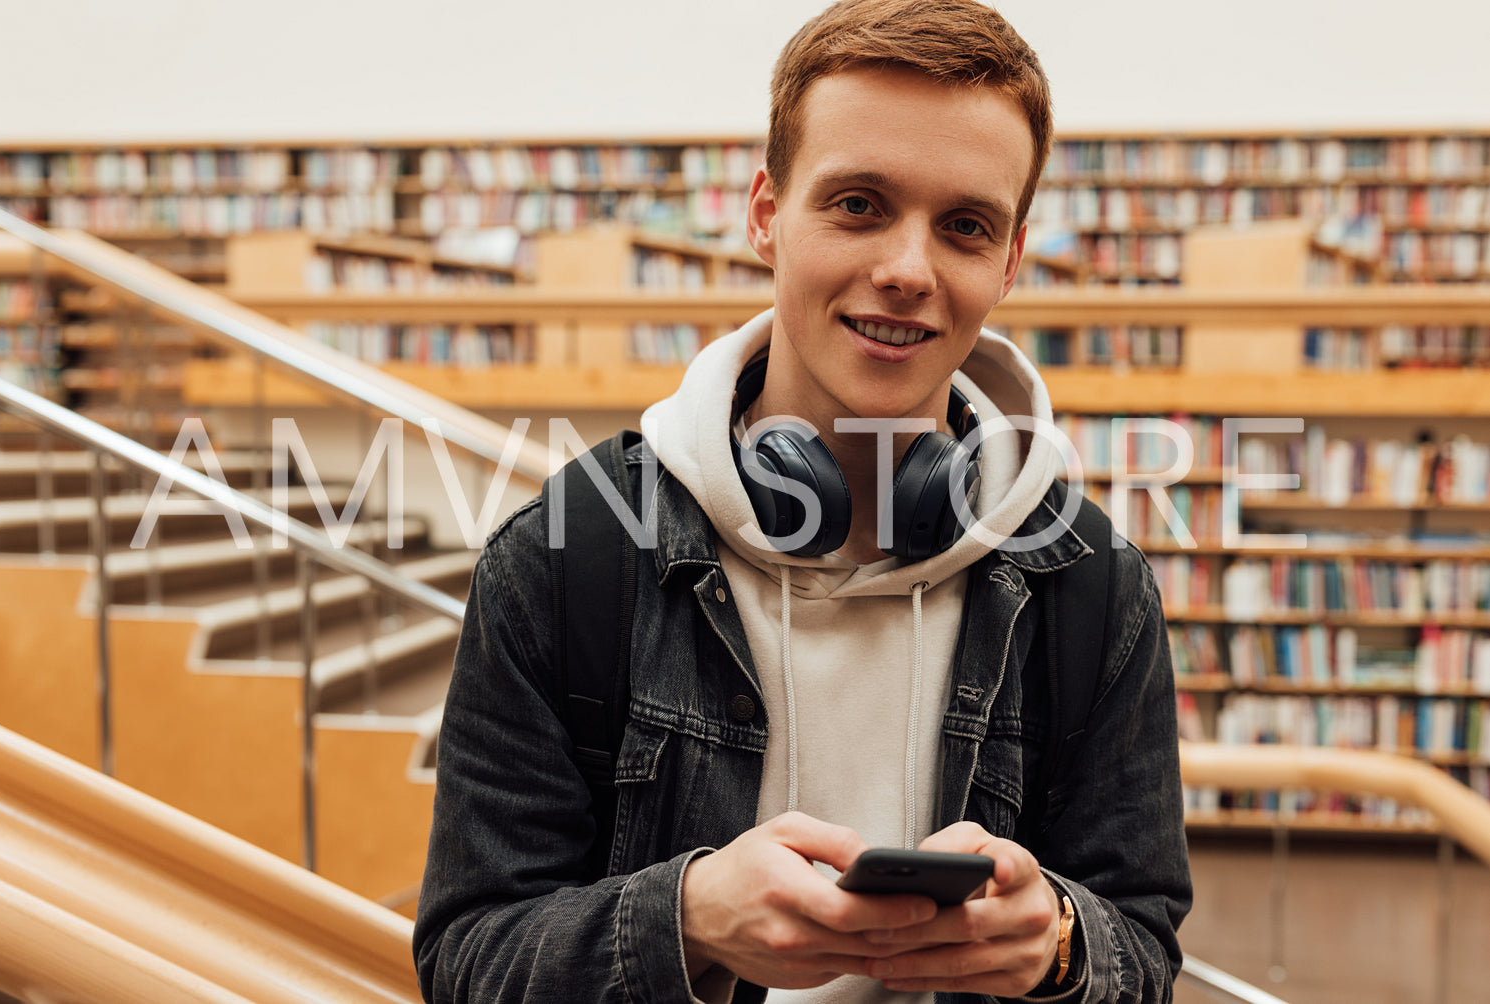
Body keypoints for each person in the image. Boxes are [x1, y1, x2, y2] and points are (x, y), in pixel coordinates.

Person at [413, 1, 1192, 1001]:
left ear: (1007, 259)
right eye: (858, 204)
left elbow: (1144, 950)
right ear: (764, 213)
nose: (906, 270)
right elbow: (467, 958)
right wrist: (687, 920)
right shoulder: (564, 557)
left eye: (962, 226)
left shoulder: (1091, 586)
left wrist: (1059, 948)